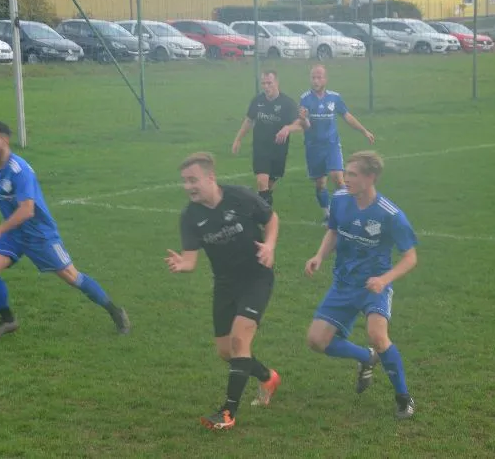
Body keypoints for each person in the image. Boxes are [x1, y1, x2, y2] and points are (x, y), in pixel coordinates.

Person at [0, 120, 130, 342]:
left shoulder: (20, 170)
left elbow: (27, 210)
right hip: (14, 234)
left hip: (39, 235)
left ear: (5, 139)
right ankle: (7, 320)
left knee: (72, 277)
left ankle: (115, 312)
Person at [165, 152, 282, 431]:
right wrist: (182, 265)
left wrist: (269, 246)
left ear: (210, 178)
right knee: (226, 351)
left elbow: (271, 219)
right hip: (225, 284)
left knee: (240, 340)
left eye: (193, 180)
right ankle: (267, 377)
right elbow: (191, 260)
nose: (188, 186)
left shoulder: (240, 196)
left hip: (256, 277)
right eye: (185, 181)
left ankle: (228, 412)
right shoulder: (190, 216)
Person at [304, 150, 417, 419]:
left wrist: (384, 280)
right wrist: (319, 256)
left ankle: (403, 397)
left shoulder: (390, 214)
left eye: (353, 174)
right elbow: (333, 230)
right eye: (346, 172)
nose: (346, 178)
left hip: (373, 285)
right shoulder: (340, 199)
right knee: (316, 341)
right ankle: (366, 357)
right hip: (343, 283)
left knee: (378, 335)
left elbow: (410, 257)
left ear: (371, 177)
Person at [299, 64, 375, 224]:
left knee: (338, 179)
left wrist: (364, 131)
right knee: (320, 184)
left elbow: (347, 116)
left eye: (319, 77)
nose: (316, 81)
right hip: (313, 147)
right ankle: (327, 214)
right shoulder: (305, 99)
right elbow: (306, 126)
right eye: (313, 77)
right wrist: (303, 119)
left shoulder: (334, 97)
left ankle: (348, 212)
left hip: (331, 145)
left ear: (325, 79)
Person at [231, 70, 303, 207]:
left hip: (279, 150)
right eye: (263, 83)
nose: (266, 86)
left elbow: (299, 125)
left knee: (268, 187)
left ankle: (260, 206)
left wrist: (288, 128)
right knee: (262, 182)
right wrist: (238, 139)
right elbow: (249, 120)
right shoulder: (257, 101)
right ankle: (265, 216)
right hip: (261, 148)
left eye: (269, 83)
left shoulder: (287, 103)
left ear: (277, 83)